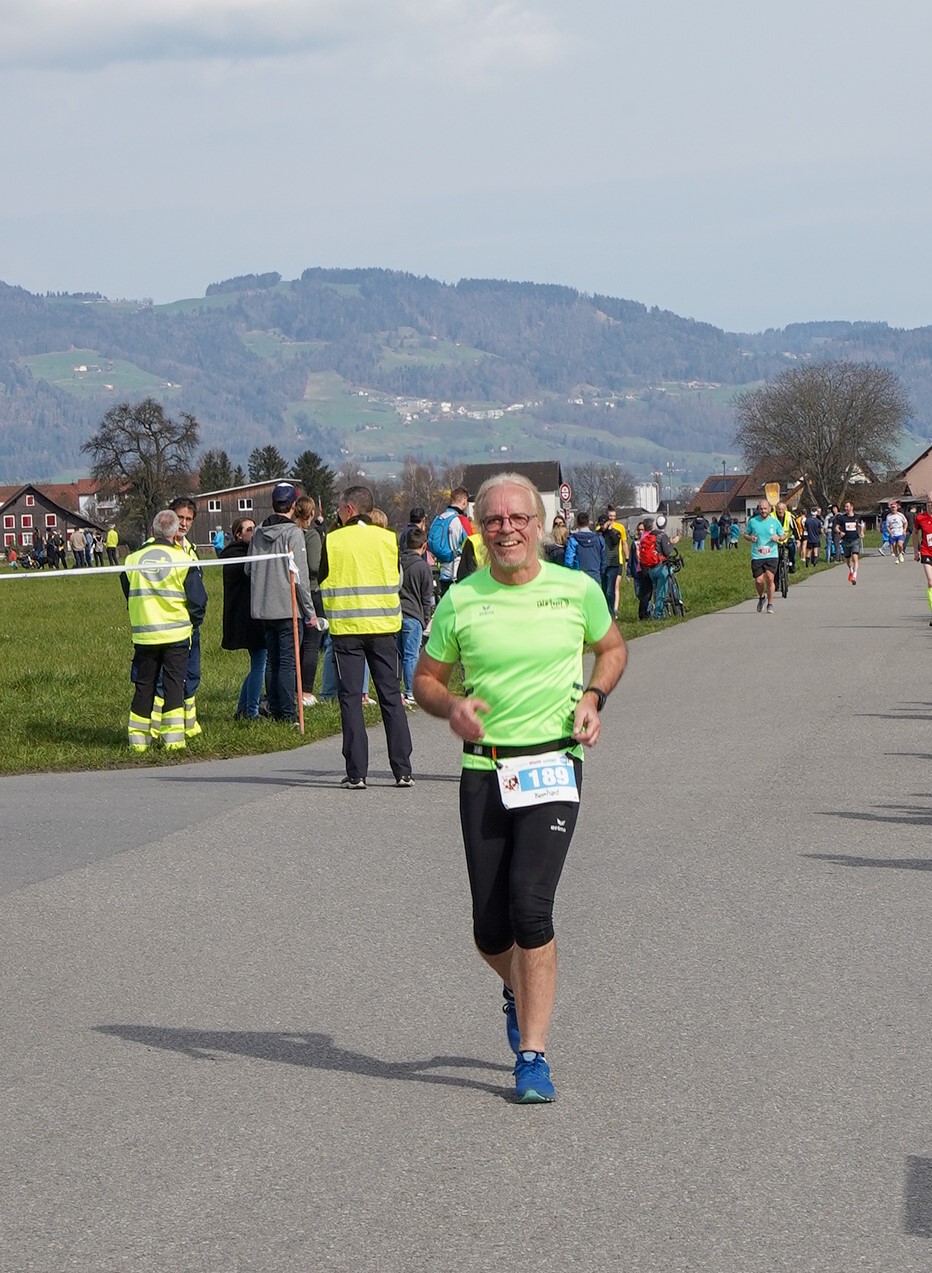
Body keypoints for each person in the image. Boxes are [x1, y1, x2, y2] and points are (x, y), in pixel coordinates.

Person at [413, 472, 627, 1103]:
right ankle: (517, 985)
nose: (506, 528)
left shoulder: (575, 589)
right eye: (494, 520)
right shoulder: (461, 600)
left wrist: (594, 697)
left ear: (539, 525)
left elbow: (612, 649)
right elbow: (426, 680)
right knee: (489, 930)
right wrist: (449, 707)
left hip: (554, 765)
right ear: (479, 530)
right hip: (485, 769)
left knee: (531, 908)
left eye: (518, 518)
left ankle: (532, 1056)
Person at [319, 484, 413, 789]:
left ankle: (357, 772)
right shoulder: (388, 538)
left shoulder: (333, 539)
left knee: (351, 700)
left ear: (349, 509)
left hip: (347, 630)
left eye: (339, 508)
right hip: (384, 627)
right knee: (391, 697)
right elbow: (397, 579)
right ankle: (403, 770)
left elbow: (322, 579)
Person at [121, 509, 207, 752]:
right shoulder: (183, 559)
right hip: (176, 634)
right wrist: (193, 622)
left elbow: (128, 592)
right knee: (173, 685)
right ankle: (174, 742)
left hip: (145, 633)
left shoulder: (132, 559)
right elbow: (198, 600)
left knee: (144, 685)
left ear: (152, 530)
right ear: (175, 531)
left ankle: (138, 742)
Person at [246, 482, 317, 721]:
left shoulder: (258, 532)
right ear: (294, 505)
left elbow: (248, 569)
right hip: (288, 607)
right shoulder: (293, 533)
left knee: (272, 661)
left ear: (272, 503)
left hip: (263, 607)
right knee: (288, 662)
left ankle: (274, 708)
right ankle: (287, 713)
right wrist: (310, 611)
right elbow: (300, 576)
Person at [219, 518, 268, 719]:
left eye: (255, 528)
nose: (254, 532)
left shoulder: (245, 553)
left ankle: (242, 708)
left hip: (249, 616)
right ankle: (251, 711)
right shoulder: (237, 556)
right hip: (248, 618)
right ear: (238, 535)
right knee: (260, 665)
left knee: (259, 664)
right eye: (249, 529)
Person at [168, 496, 206, 738]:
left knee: (192, 673)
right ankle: (167, 726)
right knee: (170, 677)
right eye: (180, 517)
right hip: (170, 623)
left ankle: (190, 724)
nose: (183, 523)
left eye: (188, 519)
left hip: (191, 623)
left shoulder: (190, 548)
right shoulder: (161, 548)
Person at [398, 527, 434, 707]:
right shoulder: (423, 567)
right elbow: (426, 597)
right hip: (414, 615)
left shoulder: (397, 563)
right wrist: (426, 619)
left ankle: (394, 690)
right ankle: (411, 691)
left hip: (396, 614)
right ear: (424, 546)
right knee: (411, 655)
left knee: (397, 655)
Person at [294, 495, 324, 707]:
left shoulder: (289, 532)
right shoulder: (311, 535)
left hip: (290, 590)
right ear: (311, 513)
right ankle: (305, 690)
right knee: (311, 644)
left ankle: (292, 688)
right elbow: (314, 565)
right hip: (311, 589)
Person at [744, 498, 786, 614]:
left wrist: (778, 538)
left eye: (765, 509)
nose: (763, 511)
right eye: (761, 509)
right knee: (759, 581)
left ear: (770, 509)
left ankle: (770, 604)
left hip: (771, 554)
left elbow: (783, 535)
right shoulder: (753, 521)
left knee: (770, 578)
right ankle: (762, 597)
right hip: (757, 555)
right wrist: (750, 538)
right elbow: (745, 534)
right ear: (759, 509)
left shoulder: (774, 522)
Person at [430, 487, 472, 598]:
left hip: (443, 573)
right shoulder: (461, 520)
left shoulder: (439, 518)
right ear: (464, 501)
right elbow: (472, 545)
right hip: (458, 573)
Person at [643, 515, 680, 620]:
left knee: (656, 590)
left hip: (651, 568)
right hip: (661, 567)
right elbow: (666, 552)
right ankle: (658, 615)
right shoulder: (662, 535)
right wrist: (672, 543)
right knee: (661, 592)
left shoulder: (650, 535)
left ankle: (661, 612)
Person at [564, 512, 606, 589]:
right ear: (589, 522)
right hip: (595, 576)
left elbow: (569, 562)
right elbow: (603, 559)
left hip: (579, 578)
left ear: (577, 522)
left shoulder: (573, 539)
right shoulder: (599, 538)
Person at [598, 511, 623, 617]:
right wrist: (602, 531)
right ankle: (605, 612)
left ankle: (611, 612)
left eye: (603, 524)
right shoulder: (598, 534)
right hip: (602, 564)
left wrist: (609, 530)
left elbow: (615, 541)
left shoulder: (615, 532)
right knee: (603, 589)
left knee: (610, 590)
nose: (602, 526)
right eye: (600, 524)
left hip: (612, 565)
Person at [912, 494, 932, 625]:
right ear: (926, 503)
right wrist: (916, 551)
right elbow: (915, 533)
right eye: (930, 502)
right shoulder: (920, 518)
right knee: (931, 581)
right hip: (926, 552)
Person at [628, 521, 653, 620]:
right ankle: (647, 608)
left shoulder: (648, 540)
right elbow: (631, 558)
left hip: (645, 570)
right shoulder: (634, 543)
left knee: (645, 593)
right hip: (637, 571)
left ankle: (648, 610)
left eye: (642, 529)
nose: (640, 531)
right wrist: (629, 573)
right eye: (639, 530)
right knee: (638, 593)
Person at [836, 500, 862, 584]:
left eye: (847, 507)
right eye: (845, 507)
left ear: (852, 507)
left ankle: (854, 576)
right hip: (845, 541)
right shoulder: (842, 518)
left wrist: (862, 532)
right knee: (848, 559)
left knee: (855, 557)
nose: (846, 508)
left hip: (855, 540)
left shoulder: (857, 517)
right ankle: (851, 570)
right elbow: (836, 527)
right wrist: (840, 532)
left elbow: (862, 525)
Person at [773, 500, 798, 573]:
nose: (780, 511)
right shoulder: (772, 516)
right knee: (776, 555)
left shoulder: (789, 516)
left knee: (792, 548)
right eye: (779, 509)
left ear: (785, 509)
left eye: (782, 509)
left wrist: (798, 539)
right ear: (776, 509)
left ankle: (791, 564)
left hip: (787, 538)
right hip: (776, 540)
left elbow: (795, 528)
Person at [885, 500, 908, 564]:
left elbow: (905, 522)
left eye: (894, 507)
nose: (893, 509)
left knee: (900, 545)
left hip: (900, 532)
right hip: (893, 532)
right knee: (894, 546)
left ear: (897, 508)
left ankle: (900, 553)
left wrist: (904, 529)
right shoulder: (888, 516)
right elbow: (887, 526)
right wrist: (890, 532)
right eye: (892, 507)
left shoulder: (900, 515)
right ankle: (896, 558)